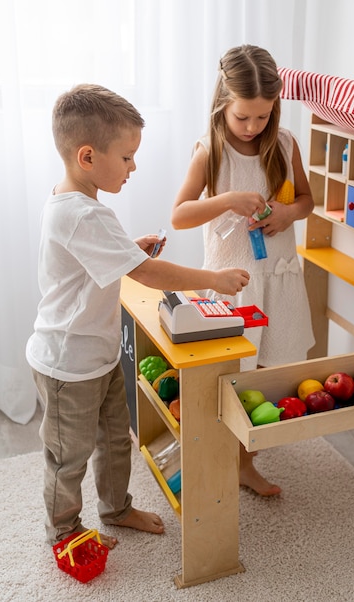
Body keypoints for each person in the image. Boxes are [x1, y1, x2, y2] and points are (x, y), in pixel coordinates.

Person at [26, 84, 250, 549]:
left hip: (98, 354)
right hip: (69, 365)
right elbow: (148, 275)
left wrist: (128, 251)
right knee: (69, 457)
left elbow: (100, 257)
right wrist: (214, 279)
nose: (134, 167)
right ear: (87, 157)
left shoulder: (77, 200)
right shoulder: (85, 215)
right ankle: (63, 533)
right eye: (127, 157)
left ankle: (116, 508)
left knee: (114, 440)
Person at [171, 45, 315, 497]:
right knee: (230, 377)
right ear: (222, 106)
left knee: (269, 375)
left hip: (280, 279)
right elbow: (180, 215)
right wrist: (229, 199)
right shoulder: (210, 151)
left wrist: (288, 214)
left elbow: (306, 200)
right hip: (231, 285)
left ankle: (244, 462)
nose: (253, 127)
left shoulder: (285, 143)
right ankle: (216, 457)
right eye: (243, 118)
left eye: (262, 117)